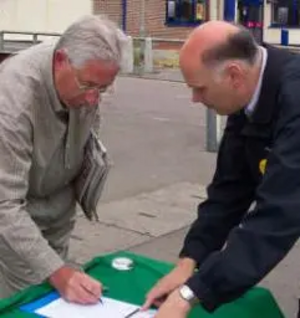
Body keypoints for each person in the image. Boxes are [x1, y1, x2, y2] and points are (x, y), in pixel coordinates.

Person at [142, 21, 300, 318]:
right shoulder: (249, 93)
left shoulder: (294, 99)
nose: (195, 99)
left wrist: (192, 294)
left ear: (234, 75)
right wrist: (190, 261)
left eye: (199, 88)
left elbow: (277, 216)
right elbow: (229, 190)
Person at [0, 15, 126, 303]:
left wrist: (60, 269)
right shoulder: (11, 100)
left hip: (58, 213)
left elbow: (85, 145)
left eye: (103, 89)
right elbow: (5, 205)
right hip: (16, 219)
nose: (94, 99)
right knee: (31, 299)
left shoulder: (84, 77)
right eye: (89, 85)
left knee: (58, 293)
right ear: (60, 61)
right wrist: (58, 272)